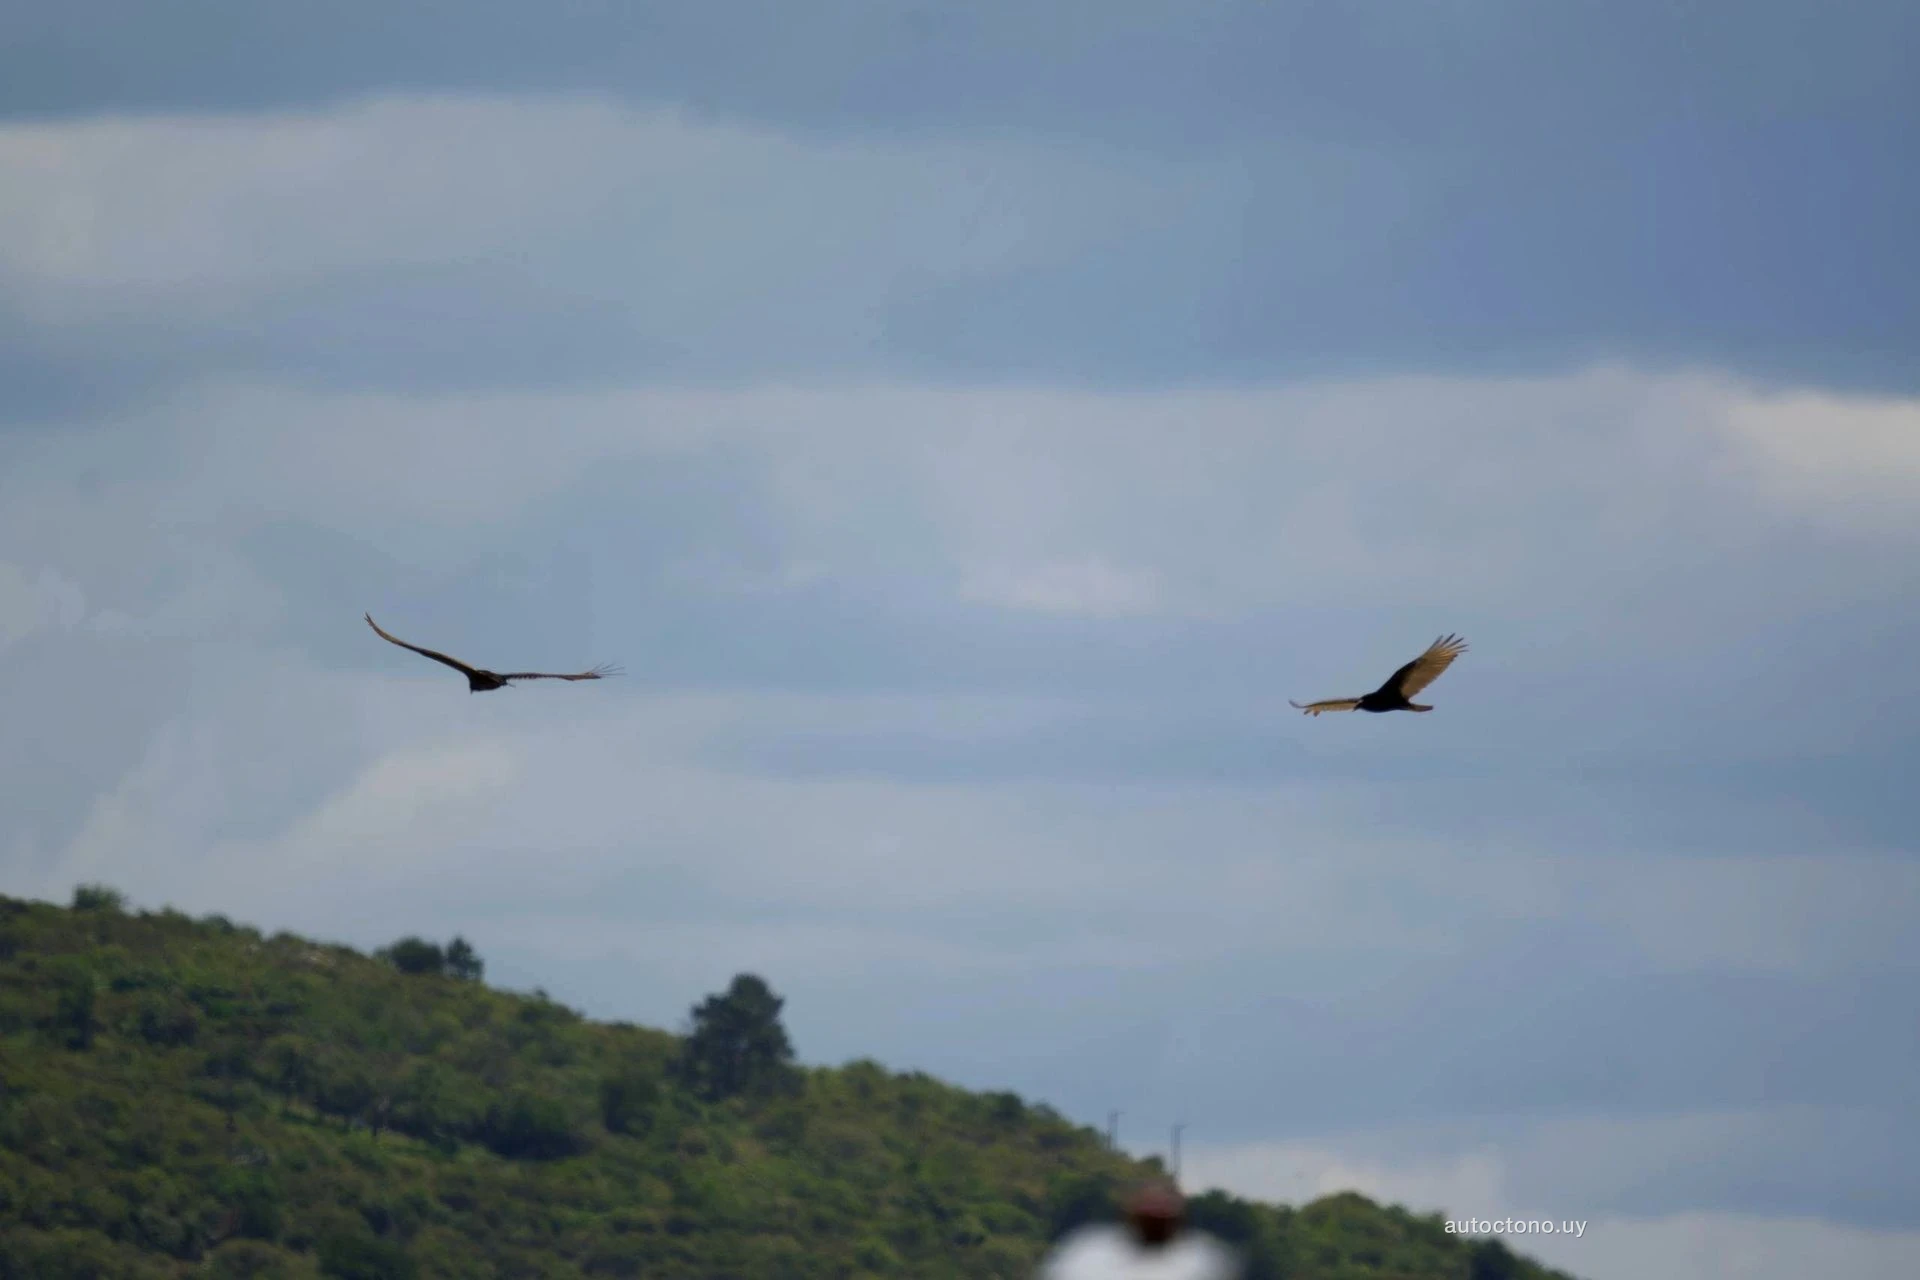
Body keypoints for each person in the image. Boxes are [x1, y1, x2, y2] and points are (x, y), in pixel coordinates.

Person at [1037, 1179, 1243, 1279]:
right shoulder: (1087, 1253)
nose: (1154, 1223)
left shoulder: (1201, 1259)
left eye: (1162, 1217)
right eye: (1149, 1216)